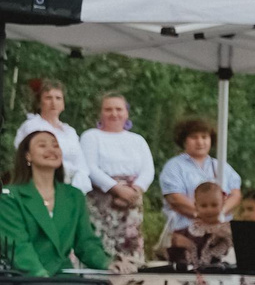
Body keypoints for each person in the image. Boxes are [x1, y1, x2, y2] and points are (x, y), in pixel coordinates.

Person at [0, 124, 108, 275]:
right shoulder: (9, 196)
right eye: (42, 145)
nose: (52, 150)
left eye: (56, 145)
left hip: (65, 279)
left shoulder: (74, 195)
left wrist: (109, 263)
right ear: (28, 156)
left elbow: (86, 243)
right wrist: (42, 278)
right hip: (24, 280)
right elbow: (18, 245)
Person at [77, 92, 154, 273]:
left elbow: (148, 170)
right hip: (101, 198)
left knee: (130, 244)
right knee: (101, 242)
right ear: (100, 113)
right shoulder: (91, 136)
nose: (114, 114)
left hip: (131, 200)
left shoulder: (137, 140)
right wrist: (116, 189)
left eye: (119, 109)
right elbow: (89, 167)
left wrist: (135, 190)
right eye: (108, 109)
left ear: (126, 113)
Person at [157, 117, 240, 243]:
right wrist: (204, 215)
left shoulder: (221, 166)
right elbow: (175, 198)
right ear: (184, 140)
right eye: (194, 137)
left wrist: (220, 212)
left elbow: (235, 194)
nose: (200, 142)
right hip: (185, 232)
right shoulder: (174, 166)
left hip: (221, 231)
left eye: (204, 137)